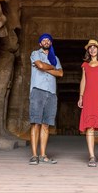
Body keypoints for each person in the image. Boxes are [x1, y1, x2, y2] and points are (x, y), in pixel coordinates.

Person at [29, 33, 63, 164]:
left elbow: (60, 73)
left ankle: (43, 155)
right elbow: (40, 65)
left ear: (51, 43)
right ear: (40, 43)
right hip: (38, 90)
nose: (46, 42)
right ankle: (34, 155)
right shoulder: (35, 54)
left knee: (46, 125)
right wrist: (52, 67)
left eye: (48, 40)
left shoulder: (55, 58)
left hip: (51, 93)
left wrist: (48, 68)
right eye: (44, 40)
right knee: (35, 123)